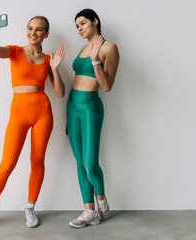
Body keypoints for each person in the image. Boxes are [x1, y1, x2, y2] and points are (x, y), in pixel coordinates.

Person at [0, 15, 65, 232]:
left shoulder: (47, 59)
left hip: (43, 113)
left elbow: (60, 93)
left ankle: (30, 208)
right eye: (30, 28)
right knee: (7, 164)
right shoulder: (15, 51)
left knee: (37, 161)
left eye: (39, 29)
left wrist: (55, 68)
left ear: (46, 33)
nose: (33, 33)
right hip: (19, 114)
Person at [66, 8, 120, 228]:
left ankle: (102, 201)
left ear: (95, 21)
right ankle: (89, 212)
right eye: (77, 25)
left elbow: (107, 86)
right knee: (80, 163)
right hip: (72, 107)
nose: (80, 28)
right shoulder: (81, 48)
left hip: (90, 107)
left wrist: (96, 59)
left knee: (90, 164)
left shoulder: (110, 47)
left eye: (83, 23)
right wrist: (68, 118)